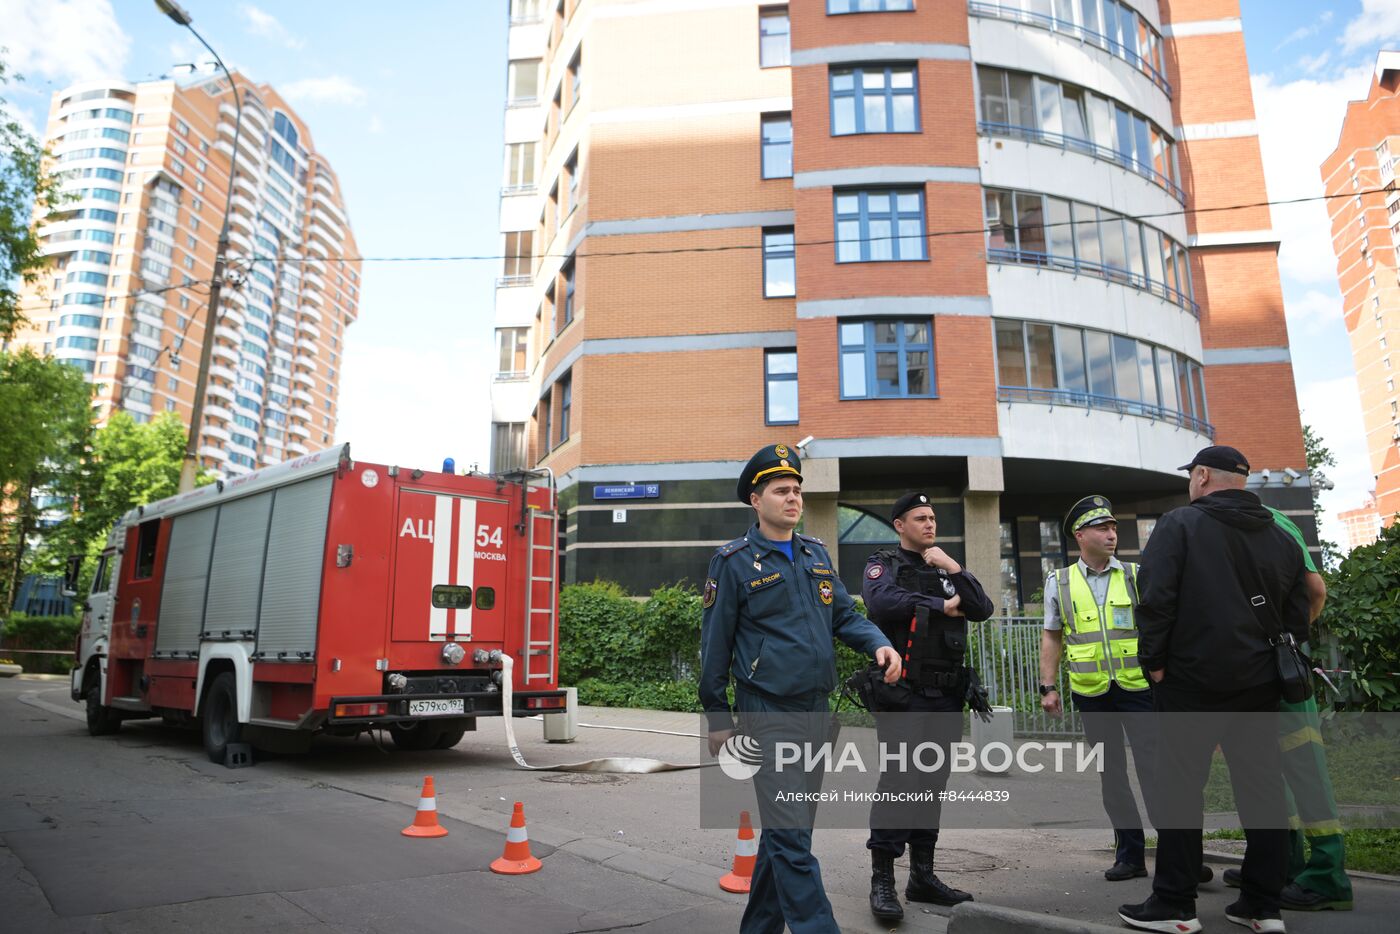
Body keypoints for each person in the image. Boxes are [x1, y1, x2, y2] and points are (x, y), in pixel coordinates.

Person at [699, 443, 901, 934]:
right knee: (791, 838)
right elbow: (715, 647)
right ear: (756, 499)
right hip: (765, 712)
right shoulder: (734, 562)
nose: (793, 499)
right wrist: (720, 719)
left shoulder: (815, 553)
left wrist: (879, 643)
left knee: (787, 834)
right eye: (781, 491)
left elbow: (845, 615)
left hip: (817, 712)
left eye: (797, 491)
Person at [1119, 445, 1310, 934]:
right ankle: (1263, 906)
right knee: (1262, 790)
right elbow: (1298, 610)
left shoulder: (1179, 525)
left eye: (1191, 476)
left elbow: (1155, 600)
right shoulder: (1281, 535)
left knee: (1180, 788)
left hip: (1190, 683)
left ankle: (1175, 906)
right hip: (1259, 685)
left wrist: (1154, 665)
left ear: (1202, 476)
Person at [860, 492, 994, 922]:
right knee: (899, 780)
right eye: (920, 518)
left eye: (933, 518)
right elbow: (881, 603)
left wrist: (954, 568)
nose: (929, 524)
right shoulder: (886, 565)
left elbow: (982, 608)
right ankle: (883, 880)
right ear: (900, 524)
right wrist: (940, 605)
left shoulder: (944, 568)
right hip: (904, 694)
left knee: (931, 783)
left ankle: (922, 875)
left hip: (947, 694)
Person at [1220, 509, 1353, 912]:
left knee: (1298, 771)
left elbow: (1315, 589)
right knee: (1275, 772)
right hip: (1273, 671)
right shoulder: (1268, 522)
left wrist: (1285, 646)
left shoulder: (1245, 524)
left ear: (1203, 477)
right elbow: (1312, 591)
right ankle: (1282, 865)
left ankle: (1328, 876)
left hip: (1266, 674)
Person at [1039, 495, 1162, 883]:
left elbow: (1156, 628)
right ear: (1081, 535)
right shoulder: (1059, 581)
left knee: (1157, 770)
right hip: (1092, 693)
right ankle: (1130, 855)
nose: (1112, 534)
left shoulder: (1133, 574)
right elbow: (1052, 637)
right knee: (1113, 775)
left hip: (1139, 688)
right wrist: (1048, 687)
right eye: (1103, 528)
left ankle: (1180, 853)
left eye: (1114, 528)